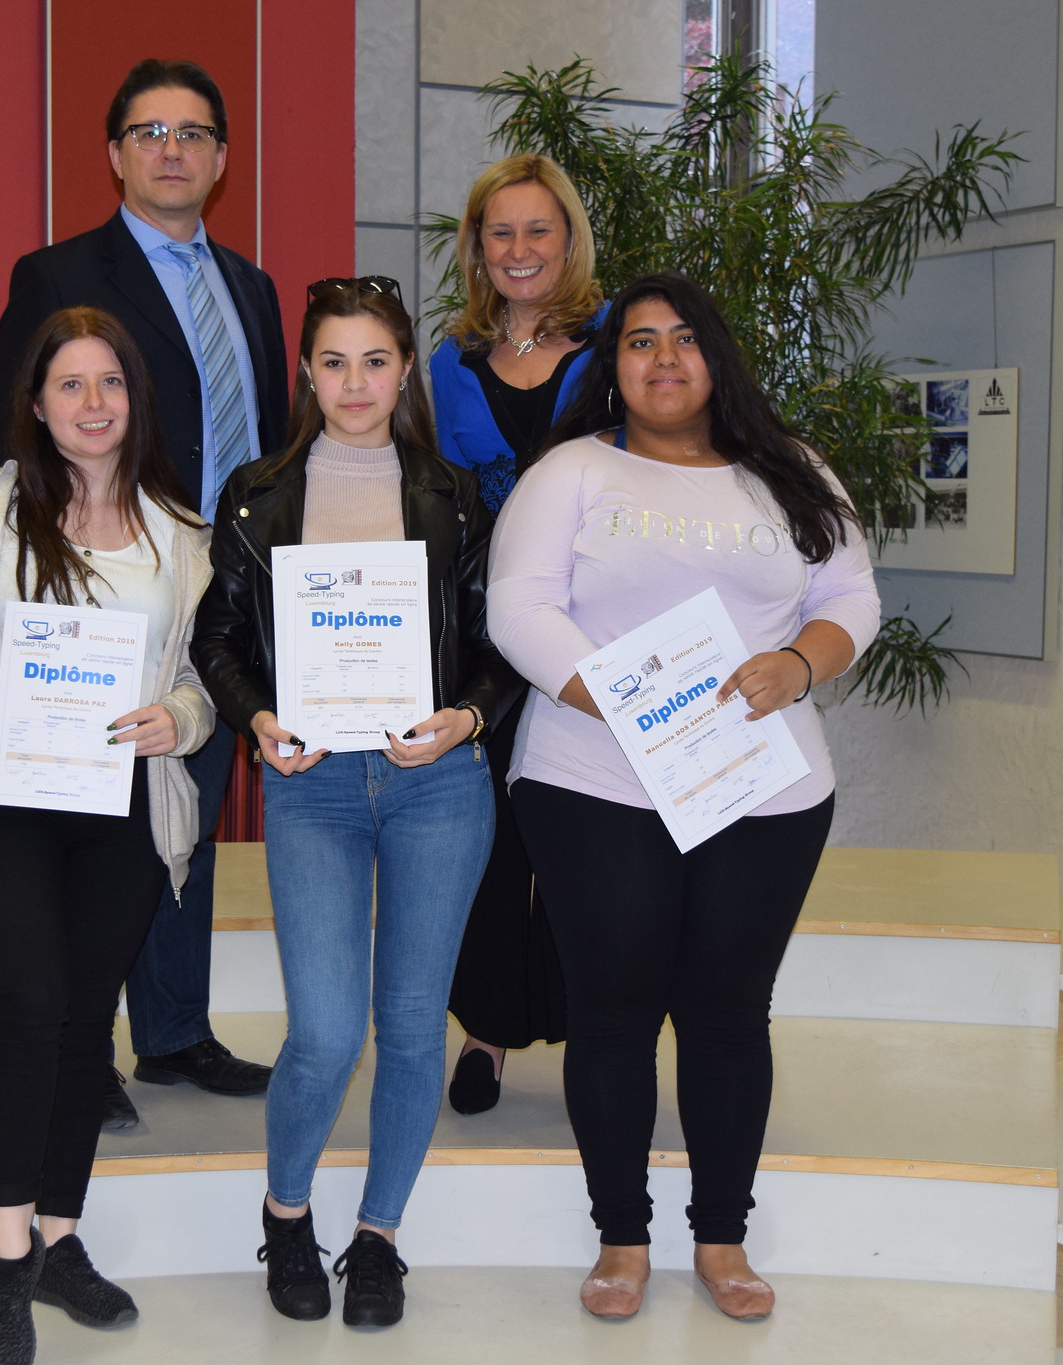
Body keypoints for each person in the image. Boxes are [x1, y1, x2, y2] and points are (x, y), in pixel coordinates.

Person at [487, 274, 881, 1323]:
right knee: (610, 1012)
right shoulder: (570, 472)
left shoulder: (790, 472)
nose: (660, 359)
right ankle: (621, 1237)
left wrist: (797, 665)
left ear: (716, 358)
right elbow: (517, 610)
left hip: (762, 790)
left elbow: (851, 596)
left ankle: (721, 1237)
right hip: (594, 782)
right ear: (609, 366)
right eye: (637, 343)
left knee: (724, 1013)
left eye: (682, 340)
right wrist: (624, 706)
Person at [0, 307, 216, 1365]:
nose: (91, 404)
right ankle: (3, 1254)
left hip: (120, 802)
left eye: (109, 384)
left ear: (135, 401)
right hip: (3, 802)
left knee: (85, 1018)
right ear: (35, 402)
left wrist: (187, 718)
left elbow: (202, 678)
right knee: (28, 1002)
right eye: (68, 385)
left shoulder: (180, 533)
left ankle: (62, 1239)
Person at [192, 278, 520, 1328]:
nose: (353, 384)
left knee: (414, 1027)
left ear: (405, 370)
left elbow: (497, 650)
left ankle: (377, 1238)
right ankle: (287, 1215)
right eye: (332, 362)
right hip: (313, 784)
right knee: (327, 1032)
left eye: (374, 361)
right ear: (304, 372)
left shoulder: (457, 496)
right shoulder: (253, 495)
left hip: (437, 786)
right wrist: (254, 719)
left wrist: (465, 722)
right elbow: (217, 643)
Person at [0, 58, 290, 1127]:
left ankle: (172, 1033)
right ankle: (81, 1049)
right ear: (113, 153)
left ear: (221, 158)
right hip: (100, 597)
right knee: (89, 828)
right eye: (149, 132)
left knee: (182, 812)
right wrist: (28, 606)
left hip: (218, 594)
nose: (172, 150)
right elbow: (8, 446)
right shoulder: (57, 270)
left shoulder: (249, 287)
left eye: (194, 133)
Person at [428, 154, 607, 1115]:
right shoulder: (449, 360)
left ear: (568, 240)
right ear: (477, 246)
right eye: (501, 232)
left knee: (584, 833)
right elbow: (438, 497)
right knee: (490, 838)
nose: (520, 249)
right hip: (488, 629)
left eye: (539, 230)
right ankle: (486, 1030)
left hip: (595, 623)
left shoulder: (618, 340)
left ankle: (594, 1026)